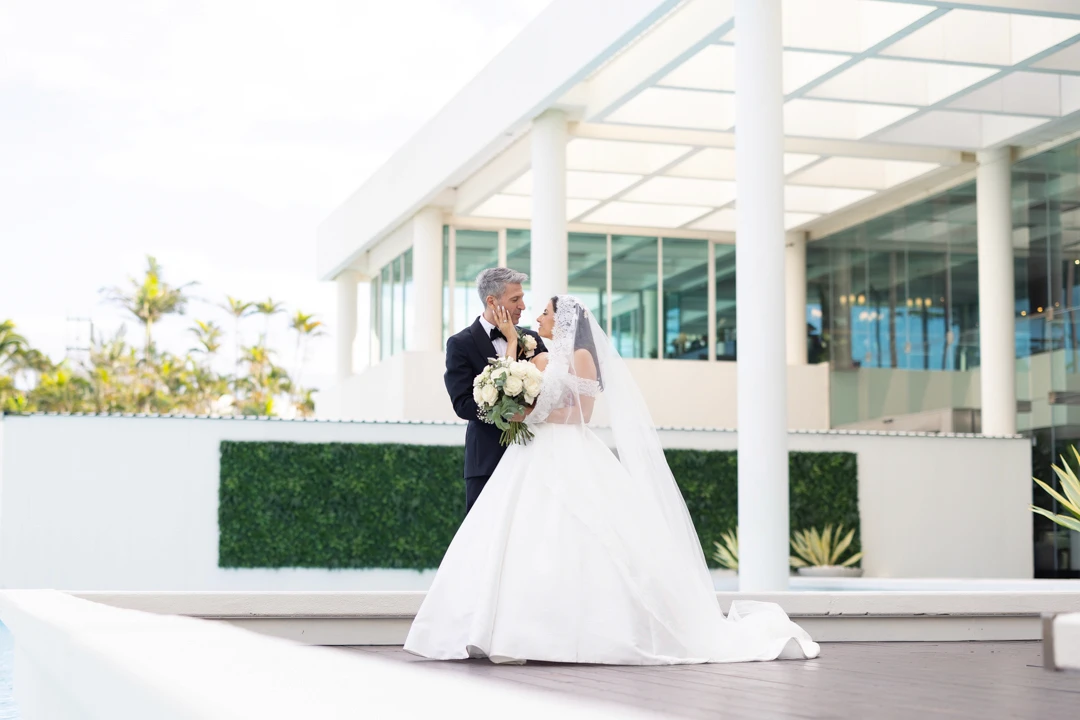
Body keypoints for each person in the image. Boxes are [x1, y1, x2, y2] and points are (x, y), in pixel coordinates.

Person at [406, 294, 820, 665]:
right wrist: (515, 356)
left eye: (545, 312)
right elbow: (517, 381)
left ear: (565, 320)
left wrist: (529, 414)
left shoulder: (580, 356)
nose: (537, 315)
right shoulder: (539, 351)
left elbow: (581, 413)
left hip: (565, 449)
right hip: (530, 452)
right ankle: (503, 628)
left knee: (579, 535)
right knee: (515, 536)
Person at [443, 267, 547, 513]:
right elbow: (462, 404)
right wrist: (503, 412)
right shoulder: (460, 344)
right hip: (486, 462)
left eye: (522, 298)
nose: (523, 306)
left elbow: (548, 389)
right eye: (515, 299)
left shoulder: (531, 340)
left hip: (533, 458)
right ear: (492, 301)